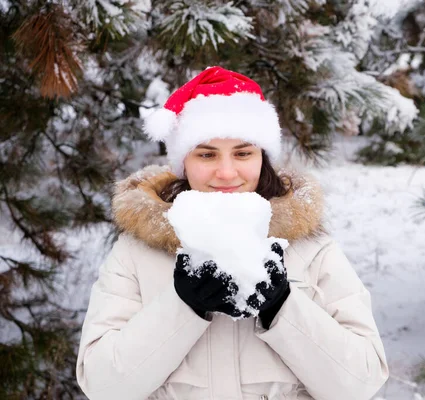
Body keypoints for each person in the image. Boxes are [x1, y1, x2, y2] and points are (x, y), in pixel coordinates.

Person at [76, 66, 388, 400]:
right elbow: (103, 387)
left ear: (261, 158)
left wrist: (282, 306)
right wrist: (182, 307)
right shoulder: (136, 253)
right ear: (183, 162)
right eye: (207, 154)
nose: (226, 173)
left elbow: (361, 383)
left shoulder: (311, 248)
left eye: (242, 153)